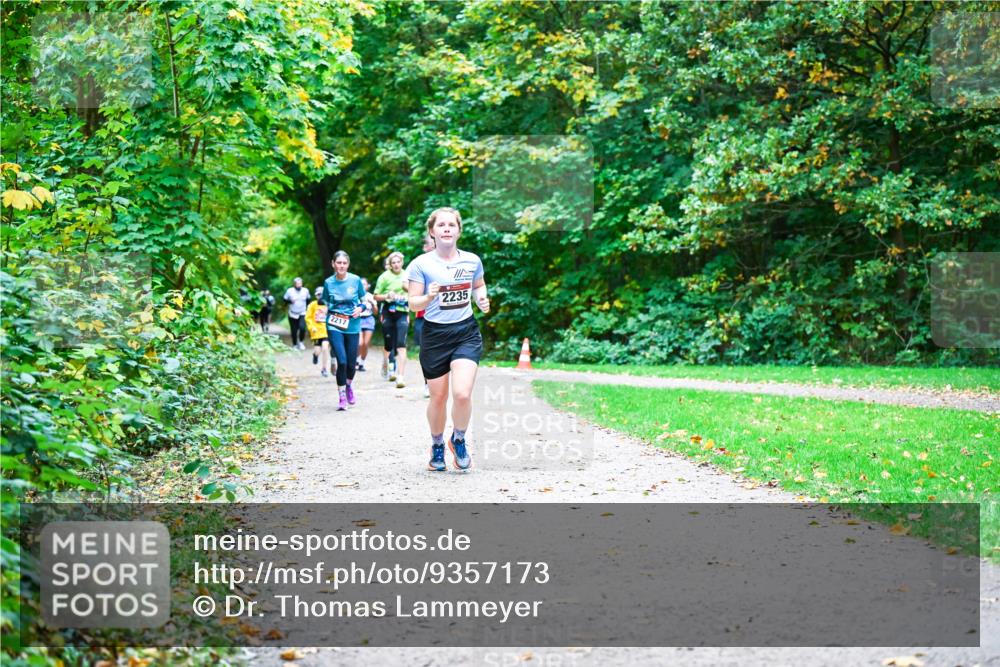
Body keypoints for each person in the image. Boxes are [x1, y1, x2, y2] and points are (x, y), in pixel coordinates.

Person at [406, 207, 489, 471]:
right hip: (434, 335)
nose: (446, 229)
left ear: (458, 230)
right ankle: (437, 445)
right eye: (440, 225)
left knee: (462, 394)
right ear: (432, 232)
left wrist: (482, 299)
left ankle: (460, 439)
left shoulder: (472, 261)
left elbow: (478, 286)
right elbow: (411, 303)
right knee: (438, 397)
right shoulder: (421, 264)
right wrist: (428, 298)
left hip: (465, 332)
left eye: (451, 225)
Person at [322, 251, 365, 410]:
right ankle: (341, 396)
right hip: (334, 324)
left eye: (344, 263)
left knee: (351, 363)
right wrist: (321, 313)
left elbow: (364, 300)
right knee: (342, 361)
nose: (341, 266)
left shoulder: (355, 280)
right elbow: (325, 302)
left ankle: (348, 385)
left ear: (348, 265)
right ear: (333, 264)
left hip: (352, 325)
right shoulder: (328, 282)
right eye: (338, 263)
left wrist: (361, 308)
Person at [374, 251, 410, 389]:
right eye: (393, 262)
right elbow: (376, 296)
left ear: (402, 262)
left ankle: (400, 376)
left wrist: (407, 298)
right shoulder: (384, 277)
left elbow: (414, 291)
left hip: (402, 312)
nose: (396, 265)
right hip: (387, 312)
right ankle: (387, 363)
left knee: (401, 343)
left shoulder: (407, 275)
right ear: (390, 264)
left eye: (398, 262)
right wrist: (387, 296)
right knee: (389, 344)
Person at [413, 234, 435, 398]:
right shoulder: (419, 262)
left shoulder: (452, 260)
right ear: (425, 247)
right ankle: (428, 382)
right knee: (426, 351)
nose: (434, 245)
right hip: (423, 315)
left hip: (446, 315)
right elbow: (406, 283)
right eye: (431, 243)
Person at [305, 286, 332, 377]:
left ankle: (324, 369)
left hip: (326, 330)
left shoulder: (328, 305)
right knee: (317, 350)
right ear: (316, 295)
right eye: (318, 295)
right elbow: (308, 317)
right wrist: (311, 327)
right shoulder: (312, 305)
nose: (320, 296)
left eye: (322, 294)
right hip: (316, 331)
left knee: (325, 348)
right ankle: (315, 355)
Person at [283, 277, 311, 350]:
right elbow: (284, 300)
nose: (299, 285)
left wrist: (308, 309)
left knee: (302, 328)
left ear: (302, 284)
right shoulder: (289, 291)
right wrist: (290, 301)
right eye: (297, 283)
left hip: (302, 312)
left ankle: (301, 342)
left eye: (300, 283)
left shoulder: (305, 291)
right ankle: (295, 344)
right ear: (294, 284)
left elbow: (308, 300)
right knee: (294, 330)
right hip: (292, 313)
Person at [357, 277, 377, 371]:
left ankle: (362, 363)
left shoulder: (371, 296)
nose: (362, 286)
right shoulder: (355, 296)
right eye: (361, 284)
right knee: (359, 343)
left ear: (368, 286)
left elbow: (376, 312)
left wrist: (373, 304)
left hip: (369, 319)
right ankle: (356, 359)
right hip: (358, 320)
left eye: (364, 284)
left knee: (365, 343)